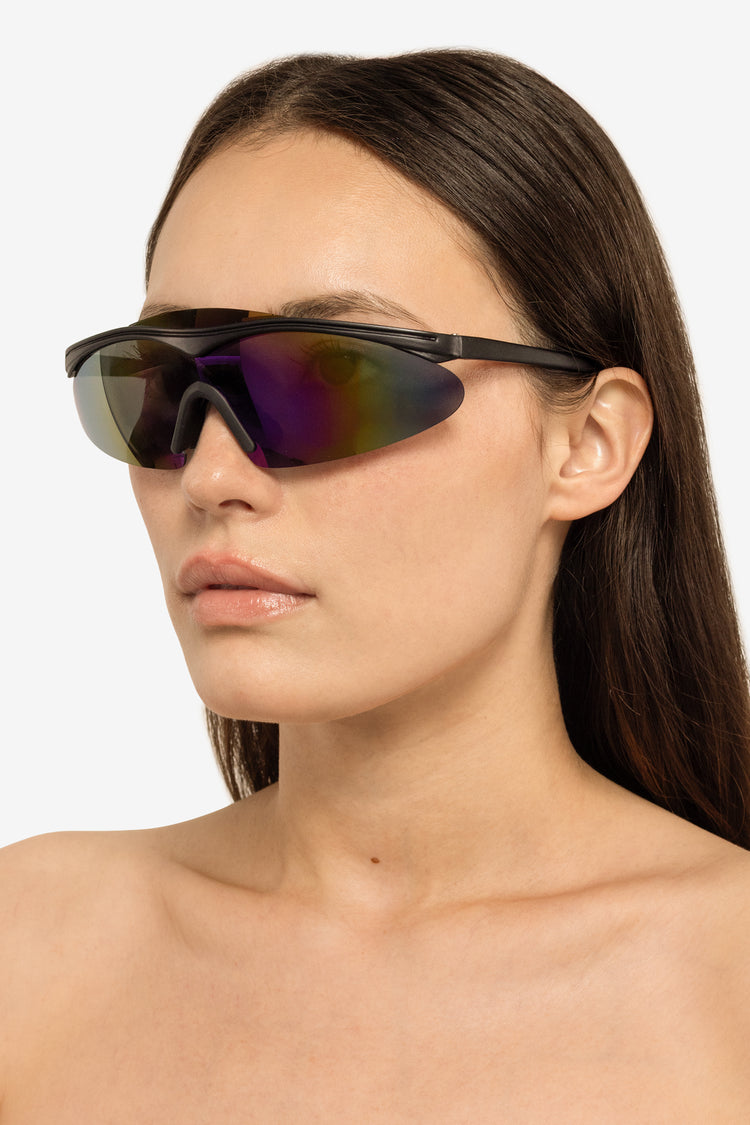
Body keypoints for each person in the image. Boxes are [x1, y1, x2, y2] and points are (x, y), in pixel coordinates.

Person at [2, 48, 750, 1120]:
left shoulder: (728, 987)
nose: (210, 477)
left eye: (329, 378)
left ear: (587, 444)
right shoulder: (29, 953)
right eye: (160, 386)